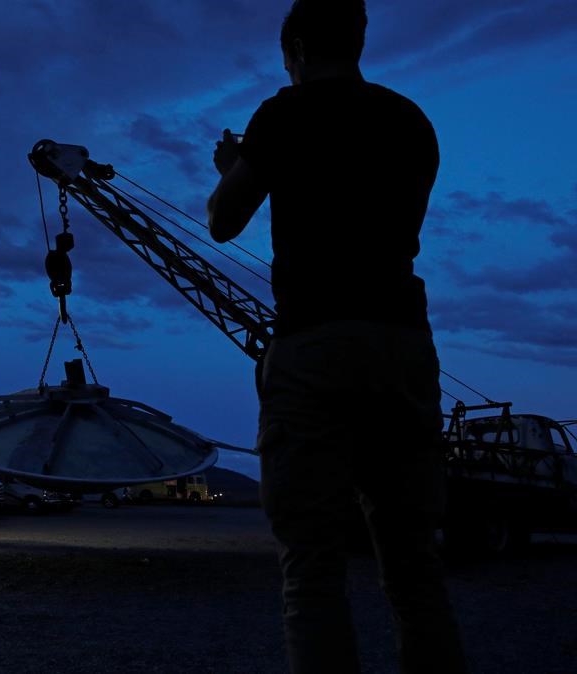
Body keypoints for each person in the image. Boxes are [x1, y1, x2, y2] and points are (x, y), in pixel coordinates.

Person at [207, 1, 467, 672]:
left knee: (312, 563)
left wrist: (236, 163)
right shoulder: (412, 123)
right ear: (358, 41)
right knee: (414, 563)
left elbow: (223, 219)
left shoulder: (282, 116)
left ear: (293, 47)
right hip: (403, 344)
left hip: (314, 344)